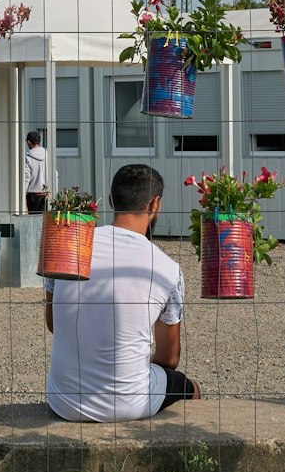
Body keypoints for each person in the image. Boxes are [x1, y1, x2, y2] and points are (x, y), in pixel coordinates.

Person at [44, 164, 196, 422]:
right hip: (130, 404)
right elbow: (169, 358)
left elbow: (54, 323)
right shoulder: (167, 269)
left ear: (112, 201)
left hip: (63, 400)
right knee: (189, 388)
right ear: (155, 204)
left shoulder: (70, 249)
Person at [23, 130, 50, 213]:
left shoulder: (28, 158)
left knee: (32, 222)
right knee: (45, 222)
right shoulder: (48, 155)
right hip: (46, 194)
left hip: (32, 195)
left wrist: (23, 196)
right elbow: (55, 175)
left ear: (28, 142)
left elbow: (26, 177)